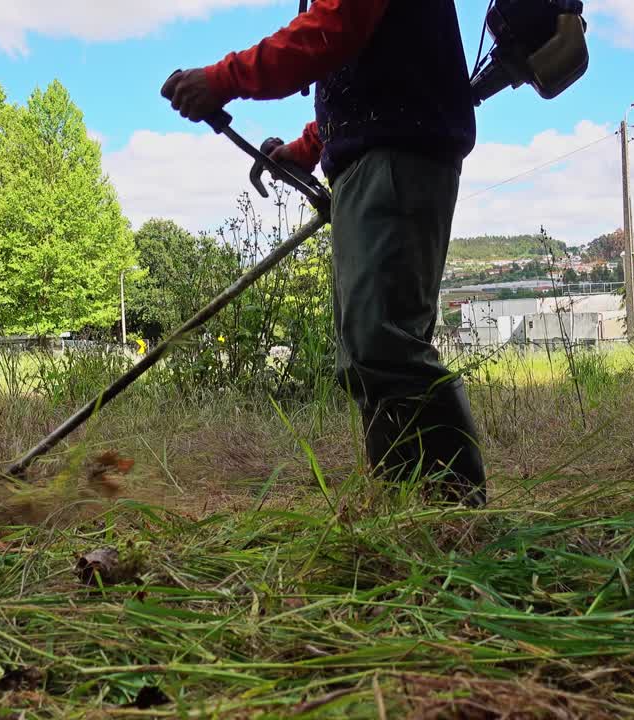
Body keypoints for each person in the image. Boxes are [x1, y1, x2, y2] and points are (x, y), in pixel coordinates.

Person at [162, 0, 486, 507]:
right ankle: (406, 505)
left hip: (395, 153)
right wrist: (307, 148)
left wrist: (222, 79)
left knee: (384, 342)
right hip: (380, 150)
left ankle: (453, 513)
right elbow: (367, 69)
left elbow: (337, 27)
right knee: (368, 345)